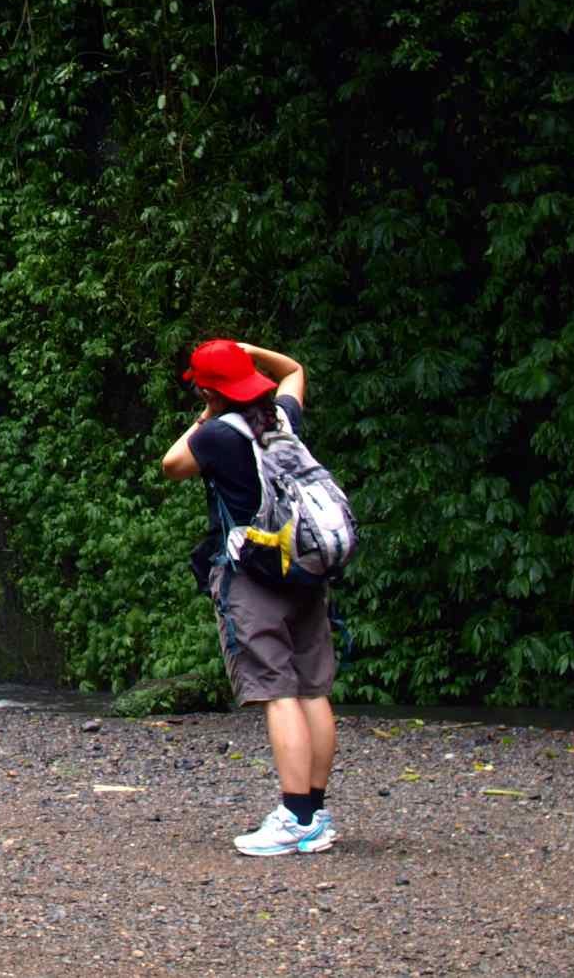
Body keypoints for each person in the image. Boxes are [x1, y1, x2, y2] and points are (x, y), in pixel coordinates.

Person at [160, 336, 338, 856]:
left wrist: (208, 410)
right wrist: (251, 352)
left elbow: (171, 464)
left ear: (211, 392)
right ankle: (315, 814)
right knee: (312, 690)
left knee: (277, 691)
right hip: (306, 567)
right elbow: (295, 369)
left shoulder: (215, 436)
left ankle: (292, 818)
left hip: (254, 574)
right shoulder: (282, 417)